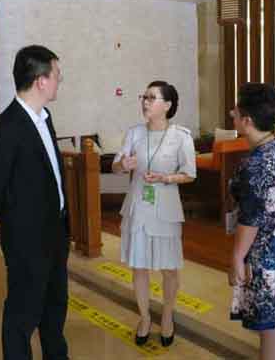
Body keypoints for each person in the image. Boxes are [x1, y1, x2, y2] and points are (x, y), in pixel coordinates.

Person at [0, 45, 69, 360]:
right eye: (57, 75)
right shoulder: (7, 128)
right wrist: (21, 224)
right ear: (41, 81)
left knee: (55, 308)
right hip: (27, 241)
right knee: (22, 314)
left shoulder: (44, 117)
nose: (60, 81)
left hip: (55, 233)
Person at [112, 80, 196, 347]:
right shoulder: (134, 133)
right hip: (138, 206)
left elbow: (190, 174)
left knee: (169, 269)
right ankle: (145, 317)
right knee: (139, 266)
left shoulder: (181, 136)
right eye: (144, 97)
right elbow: (115, 166)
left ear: (167, 105)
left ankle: (167, 315)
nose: (145, 102)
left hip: (166, 209)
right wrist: (123, 164)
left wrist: (165, 178)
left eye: (151, 98)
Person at [227, 83, 275, 360]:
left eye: (236, 110)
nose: (232, 113)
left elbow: (251, 219)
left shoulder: (256, 164)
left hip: (264, 255)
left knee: (270, 330)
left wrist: (237, 257)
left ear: (247, 121)